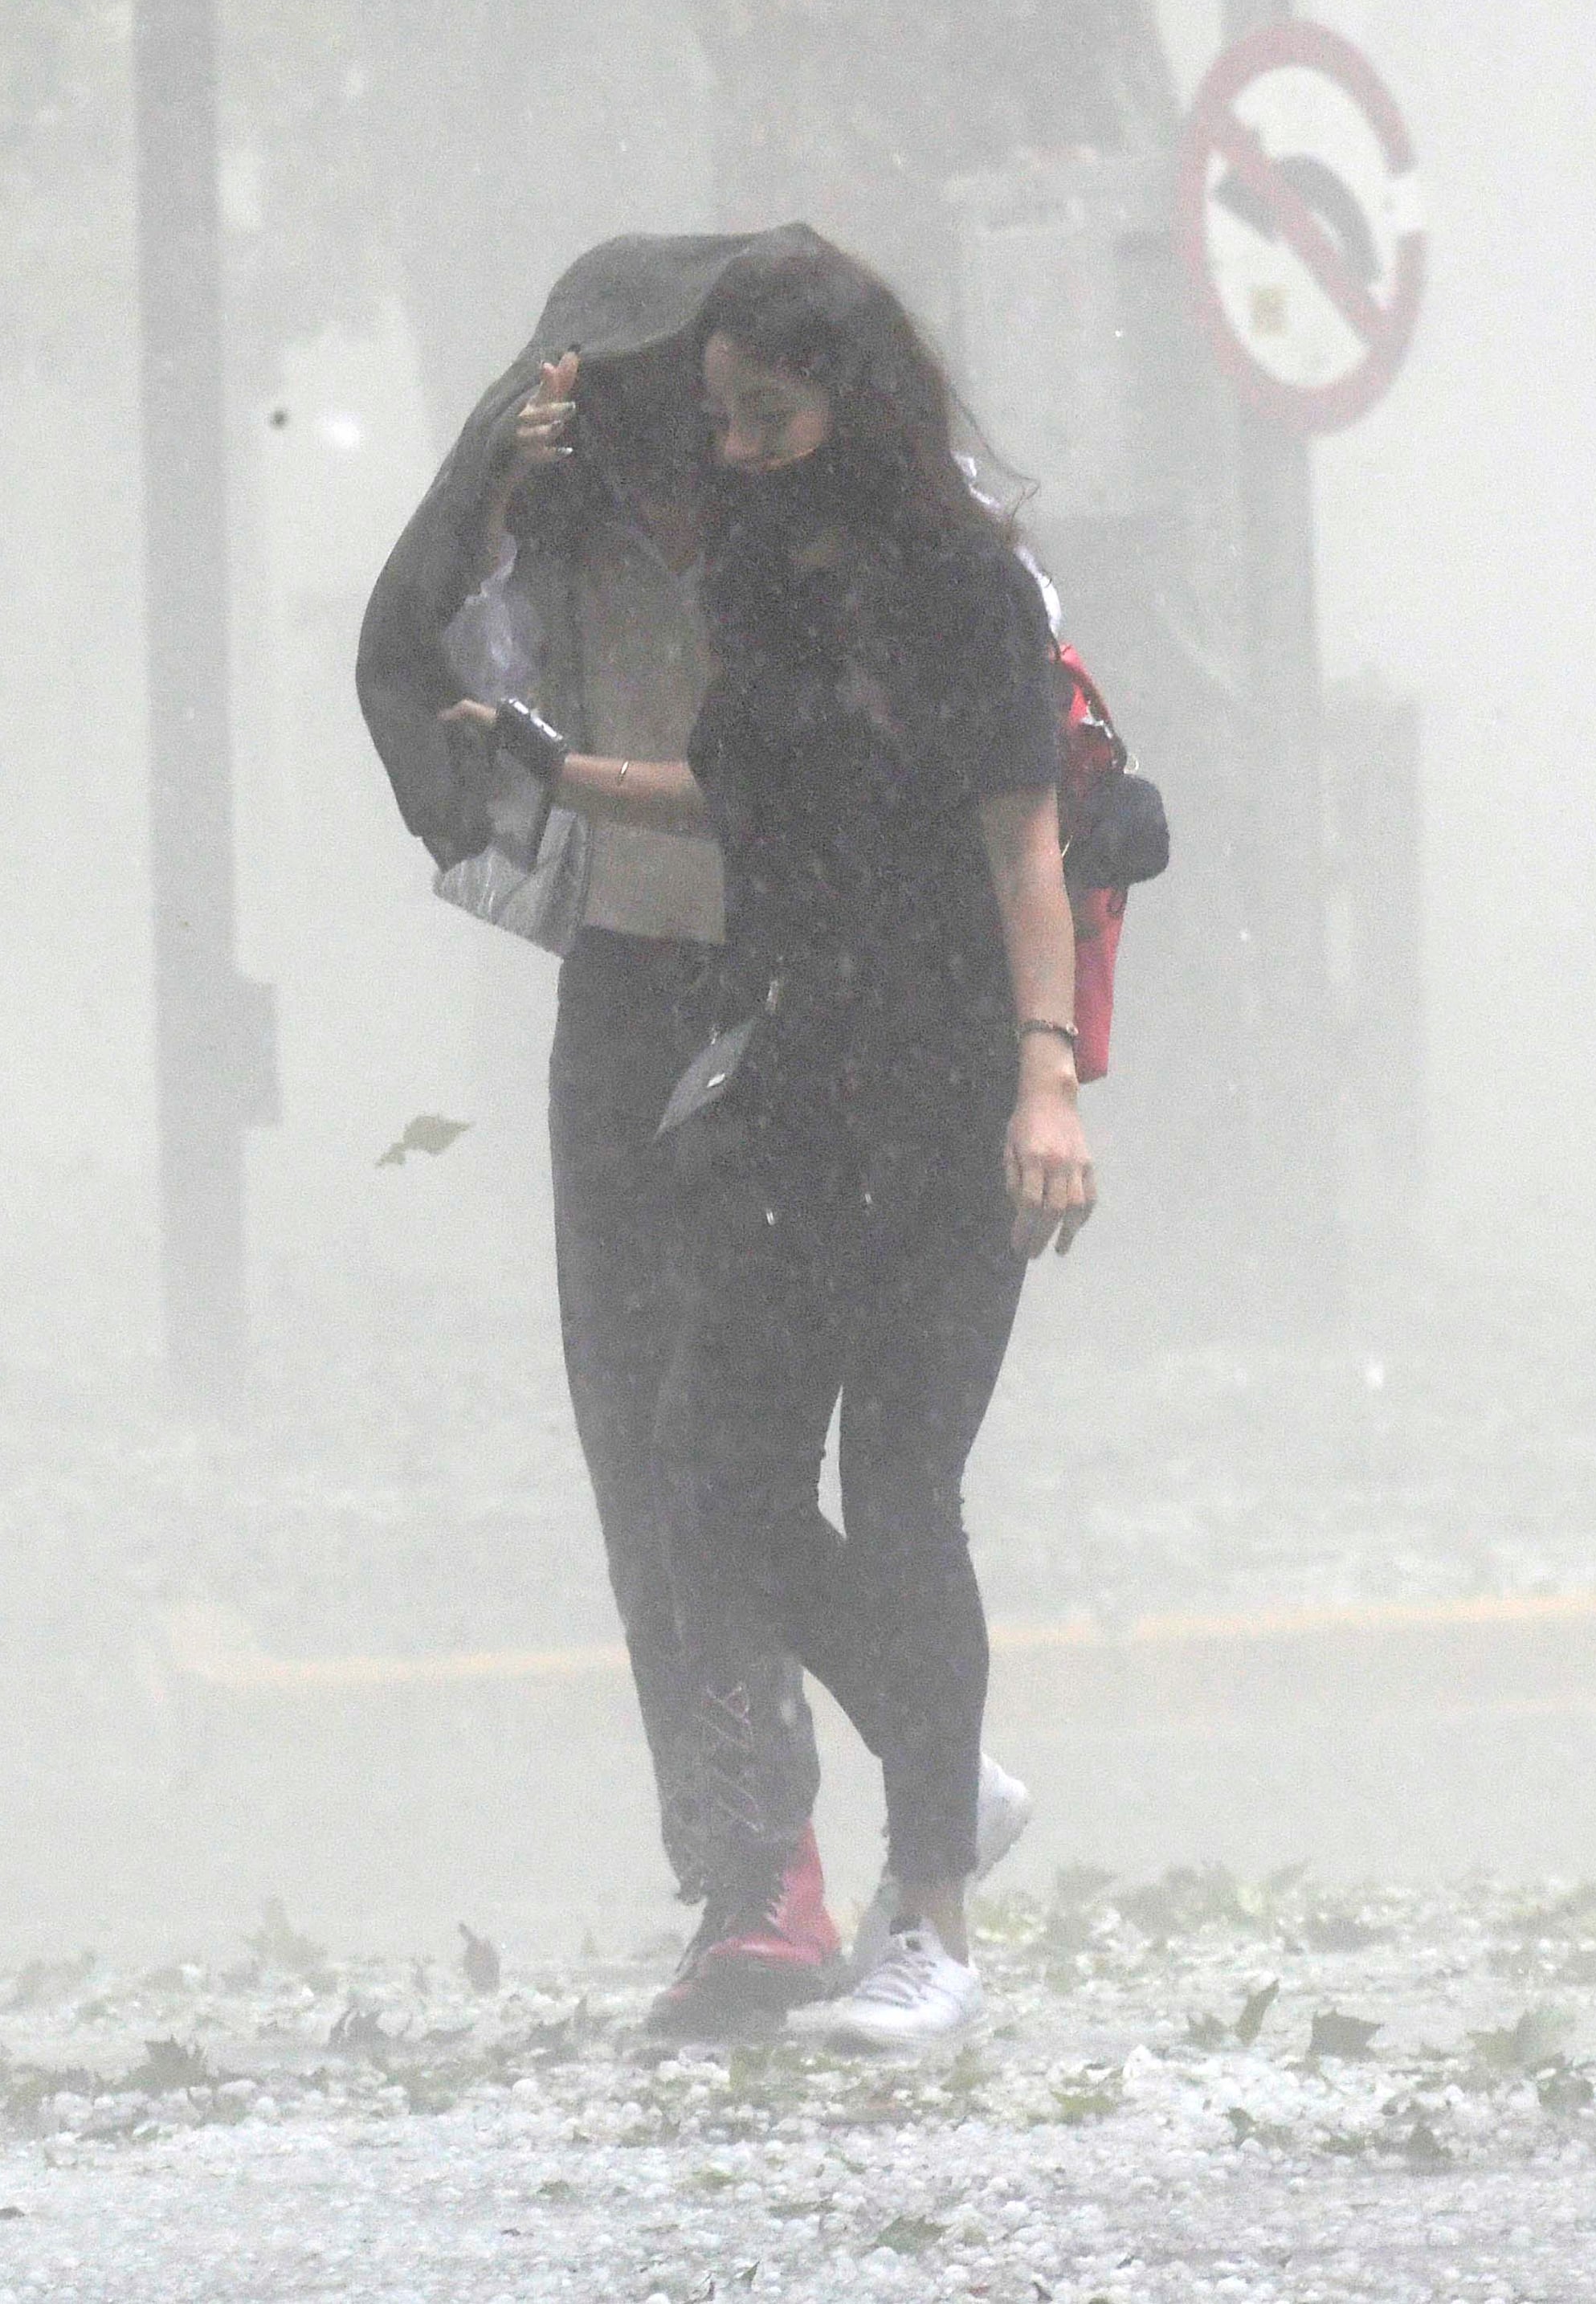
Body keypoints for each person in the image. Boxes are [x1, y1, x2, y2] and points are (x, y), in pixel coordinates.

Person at [356, 234, 1028, 2042]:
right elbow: (429, 658)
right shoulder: (558, 518)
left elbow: (1002, 796)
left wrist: (1031, 1066)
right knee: (668, 1453)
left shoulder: (857, 539)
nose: (706, 446)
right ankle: (766, 1865)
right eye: (686, 412)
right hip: (650, 998)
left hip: (818, 1021)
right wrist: (505, 490)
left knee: (829, 1462)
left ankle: (908, 1804)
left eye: (732, 408)